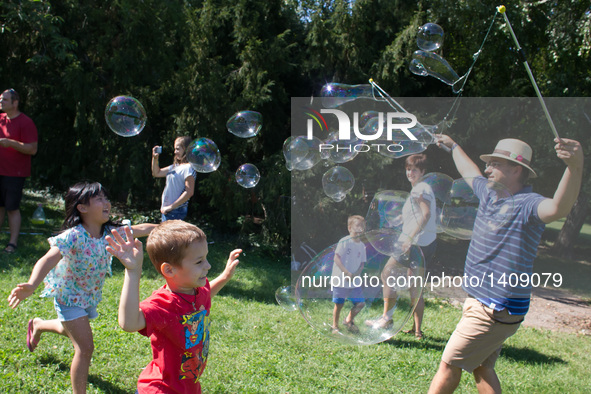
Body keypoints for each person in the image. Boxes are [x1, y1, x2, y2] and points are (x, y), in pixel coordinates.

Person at [428, 136, 583, 394]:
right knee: (482, 367)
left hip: (493, 309)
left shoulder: (528, 204)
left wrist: (575, 167)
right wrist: (453, 146)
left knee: (448, 366)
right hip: (492, 305)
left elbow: (557, 207)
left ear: (516, 169)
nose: (488, 169)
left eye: (495, 164)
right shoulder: (490, 193)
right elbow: (469, 171)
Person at [7, 181, 156, 394]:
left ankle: (38, 325)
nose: (107, 202)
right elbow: (47, 259)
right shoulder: (73, 235)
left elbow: (141, 229)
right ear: (82, 208)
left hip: (89, 296)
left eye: (106, 198)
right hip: (68, 297)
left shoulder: (110, 232)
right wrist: (31, 284)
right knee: (85, 348)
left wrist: (169, 226)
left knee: (68, 329)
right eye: (99, 199)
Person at [106, 220, 242, 393]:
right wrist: (133, 271)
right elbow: (129, 323)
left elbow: (207, 294)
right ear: (169, 270)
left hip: (188, 386)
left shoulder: (197, 289)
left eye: (205, 258)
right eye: (199, 262)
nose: (208, 265)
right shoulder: (163, 304)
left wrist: (224, 276)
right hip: (161, 388)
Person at [365, 154, 437, 339]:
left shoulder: (420, 189)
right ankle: (417, 330)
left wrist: (409, 239)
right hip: (424, 243)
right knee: (415, 286)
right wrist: (395, 220)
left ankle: (386, 318)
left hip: (414, 243)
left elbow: (425, 214)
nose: (410, 173)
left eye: (414, 169)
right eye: (408, 169)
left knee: (387, 273)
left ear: (422, 172)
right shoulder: (421, 189)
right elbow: (414, 216)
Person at [0, 88, 38, 253]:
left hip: (15, 173)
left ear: (15, 103)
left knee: (11, 208)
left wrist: (11, 143)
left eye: (5, 100)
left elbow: (32, 149)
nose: (1, 102)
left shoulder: (25, 122)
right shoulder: (0, 119)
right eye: (1, 99)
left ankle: (12, 243)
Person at [331, 215, 367, 334]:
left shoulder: (362, 246)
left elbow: (362, 263)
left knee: (360, 303)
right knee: (339, 303)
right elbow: (336, 258)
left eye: (362, 226)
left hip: (354, 281)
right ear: (350, 228)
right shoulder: (345, 241)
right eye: (357, 225)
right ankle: (334, 326)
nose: (360, 229)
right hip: (340, 278)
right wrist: (346, 272)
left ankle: (348, 320)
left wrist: (356, 274)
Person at [151, 136, 196, 221]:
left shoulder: (189, 168)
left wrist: (171, 207)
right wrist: (155, 158)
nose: (175, 152)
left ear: (186, 150)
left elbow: (189, 192)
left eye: (178, 149)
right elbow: (156, 173)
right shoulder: (174, 167)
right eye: (175, 149)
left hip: (175, 211)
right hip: (168, 210)